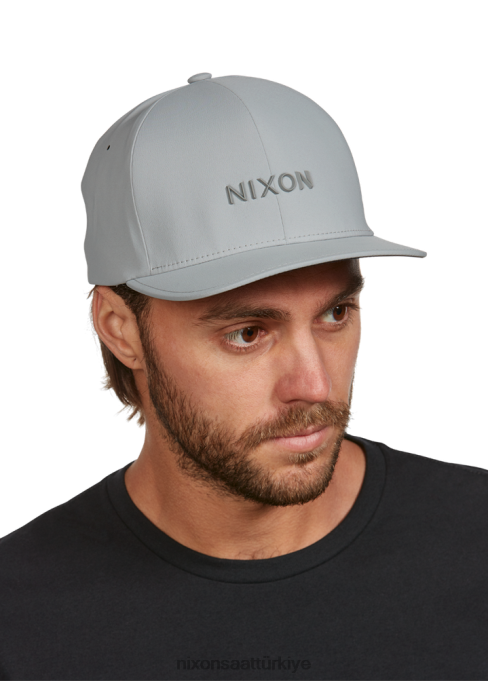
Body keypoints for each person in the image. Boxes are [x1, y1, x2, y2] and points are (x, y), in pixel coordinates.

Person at [1, 73, 486, 680]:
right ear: (120, 329)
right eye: (247, 333)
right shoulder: (17, 615)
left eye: (336, 313)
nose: (314, 385)